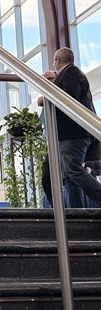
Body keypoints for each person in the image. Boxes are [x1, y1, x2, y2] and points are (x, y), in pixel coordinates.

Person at [39, 47, 101, 208]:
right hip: (66, 135)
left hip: (73, 134)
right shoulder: (70, 74)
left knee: (73, 171)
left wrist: (46, 96)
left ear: (58, 60)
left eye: (54, 61)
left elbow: (67, 99)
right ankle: (75, 211)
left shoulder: (71, 73)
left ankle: (83, 205)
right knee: (67, 175)